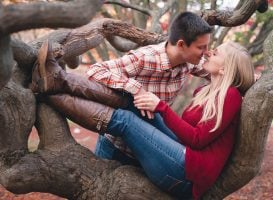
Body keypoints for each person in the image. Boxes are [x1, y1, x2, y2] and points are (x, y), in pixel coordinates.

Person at [31, 39, 255, 199]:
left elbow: (197, 140)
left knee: (127, 121)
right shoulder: (205, 92)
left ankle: (48, 95)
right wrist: (153, 105)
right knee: (133, 99)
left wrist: (161, 107)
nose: (208, 53)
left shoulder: (231, 96)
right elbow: (185, 134)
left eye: (216, 53)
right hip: (182, 156)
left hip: (189, 177)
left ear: (226, 69)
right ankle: (58, 80)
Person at [33, 11, 213, 165]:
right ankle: (49, 85)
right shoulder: (146, 57)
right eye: (201, 47)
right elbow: (96, 71)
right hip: (115, 147)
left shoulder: (190, 63)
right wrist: (136, 88)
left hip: (146, 150)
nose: (206, 52)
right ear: (181, 44)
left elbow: (219, 73)